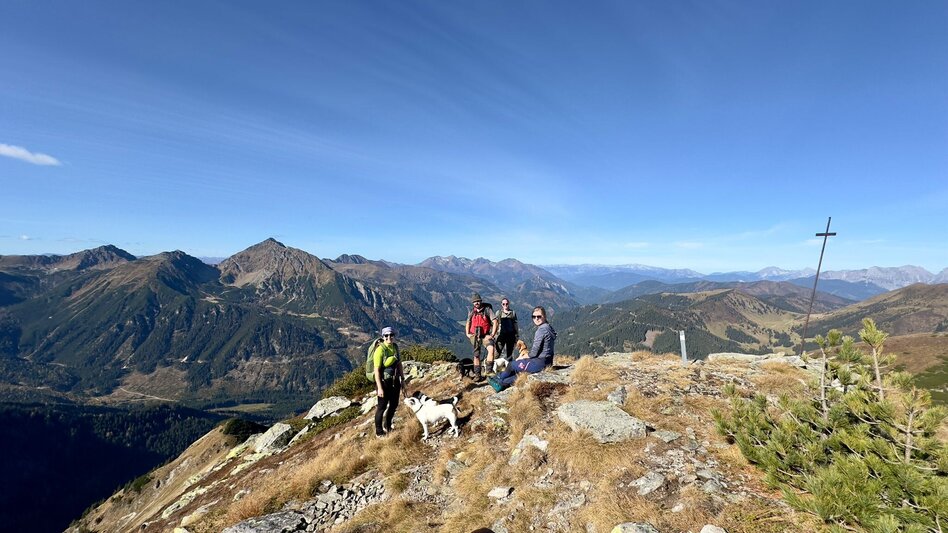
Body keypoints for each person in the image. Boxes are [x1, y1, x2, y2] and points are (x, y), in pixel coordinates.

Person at [491, 306, 556, 389]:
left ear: (544, 316)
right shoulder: (548, 327)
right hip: (548, 362)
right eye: (534, 317)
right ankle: (503, 383)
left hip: (539, 363)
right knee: (521, 373)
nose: (536, 319)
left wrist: (521, 358)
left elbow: (533, 353)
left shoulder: (541, 330)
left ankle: (499, 379)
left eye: (539, 316)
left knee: (512, 365)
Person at [373, 326, 405, 437]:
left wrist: (403, 379)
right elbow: (376, 370)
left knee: (394, 404)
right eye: (386, 335)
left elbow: (399, 364)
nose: (389, 337)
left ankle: (388, 425)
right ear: (383, 336)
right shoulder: (380, 350)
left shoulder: (395, 347)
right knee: (381, 407)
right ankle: (379, 432)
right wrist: (380, 388)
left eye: (391, 335)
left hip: (395, 381)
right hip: (384, 383)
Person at [465, 293, 496, 380]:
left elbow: (495, 321)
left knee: (491, 350)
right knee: (476, 355)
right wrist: (467, 333)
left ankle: (489, 372)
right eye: (475, 302)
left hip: (485, 335)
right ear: (473, 303)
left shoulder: (487, 310)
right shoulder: (472, 312)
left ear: (481, 301)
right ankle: (478, 375)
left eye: (478, 301)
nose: (476, 303)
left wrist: (492, 334)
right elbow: (468, 322)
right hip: (475, 336)